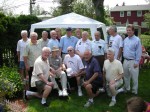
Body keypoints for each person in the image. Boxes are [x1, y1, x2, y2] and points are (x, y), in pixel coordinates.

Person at [120, 24, 142, 95]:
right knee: (126, 76)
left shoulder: (137, 40)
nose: (128, 31)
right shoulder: (125, 39)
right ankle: (127, 88)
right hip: (125, 60)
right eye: (127, 30)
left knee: (134, 77)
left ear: (133, 31)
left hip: (133, 61)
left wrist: (137, 62)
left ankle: (134, 91)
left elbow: (139, 52)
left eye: (130, 30)